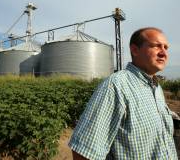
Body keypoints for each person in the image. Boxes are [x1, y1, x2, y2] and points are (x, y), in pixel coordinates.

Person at [68, 27, 178, 160]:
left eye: (166, 47)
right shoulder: (116, 86)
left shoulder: (157, 88)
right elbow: (84, 153)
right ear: (135, 50)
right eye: (156, 46)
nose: (163, 53)